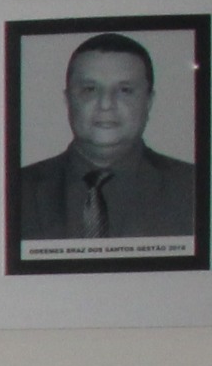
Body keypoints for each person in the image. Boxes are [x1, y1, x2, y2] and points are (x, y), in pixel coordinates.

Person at [12, 31, 197, 247]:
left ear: (148, 101)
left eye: (125, 90)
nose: (106, 104)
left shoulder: (194, 188)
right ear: (68, 100)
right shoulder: (15, 189)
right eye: (90, 89)